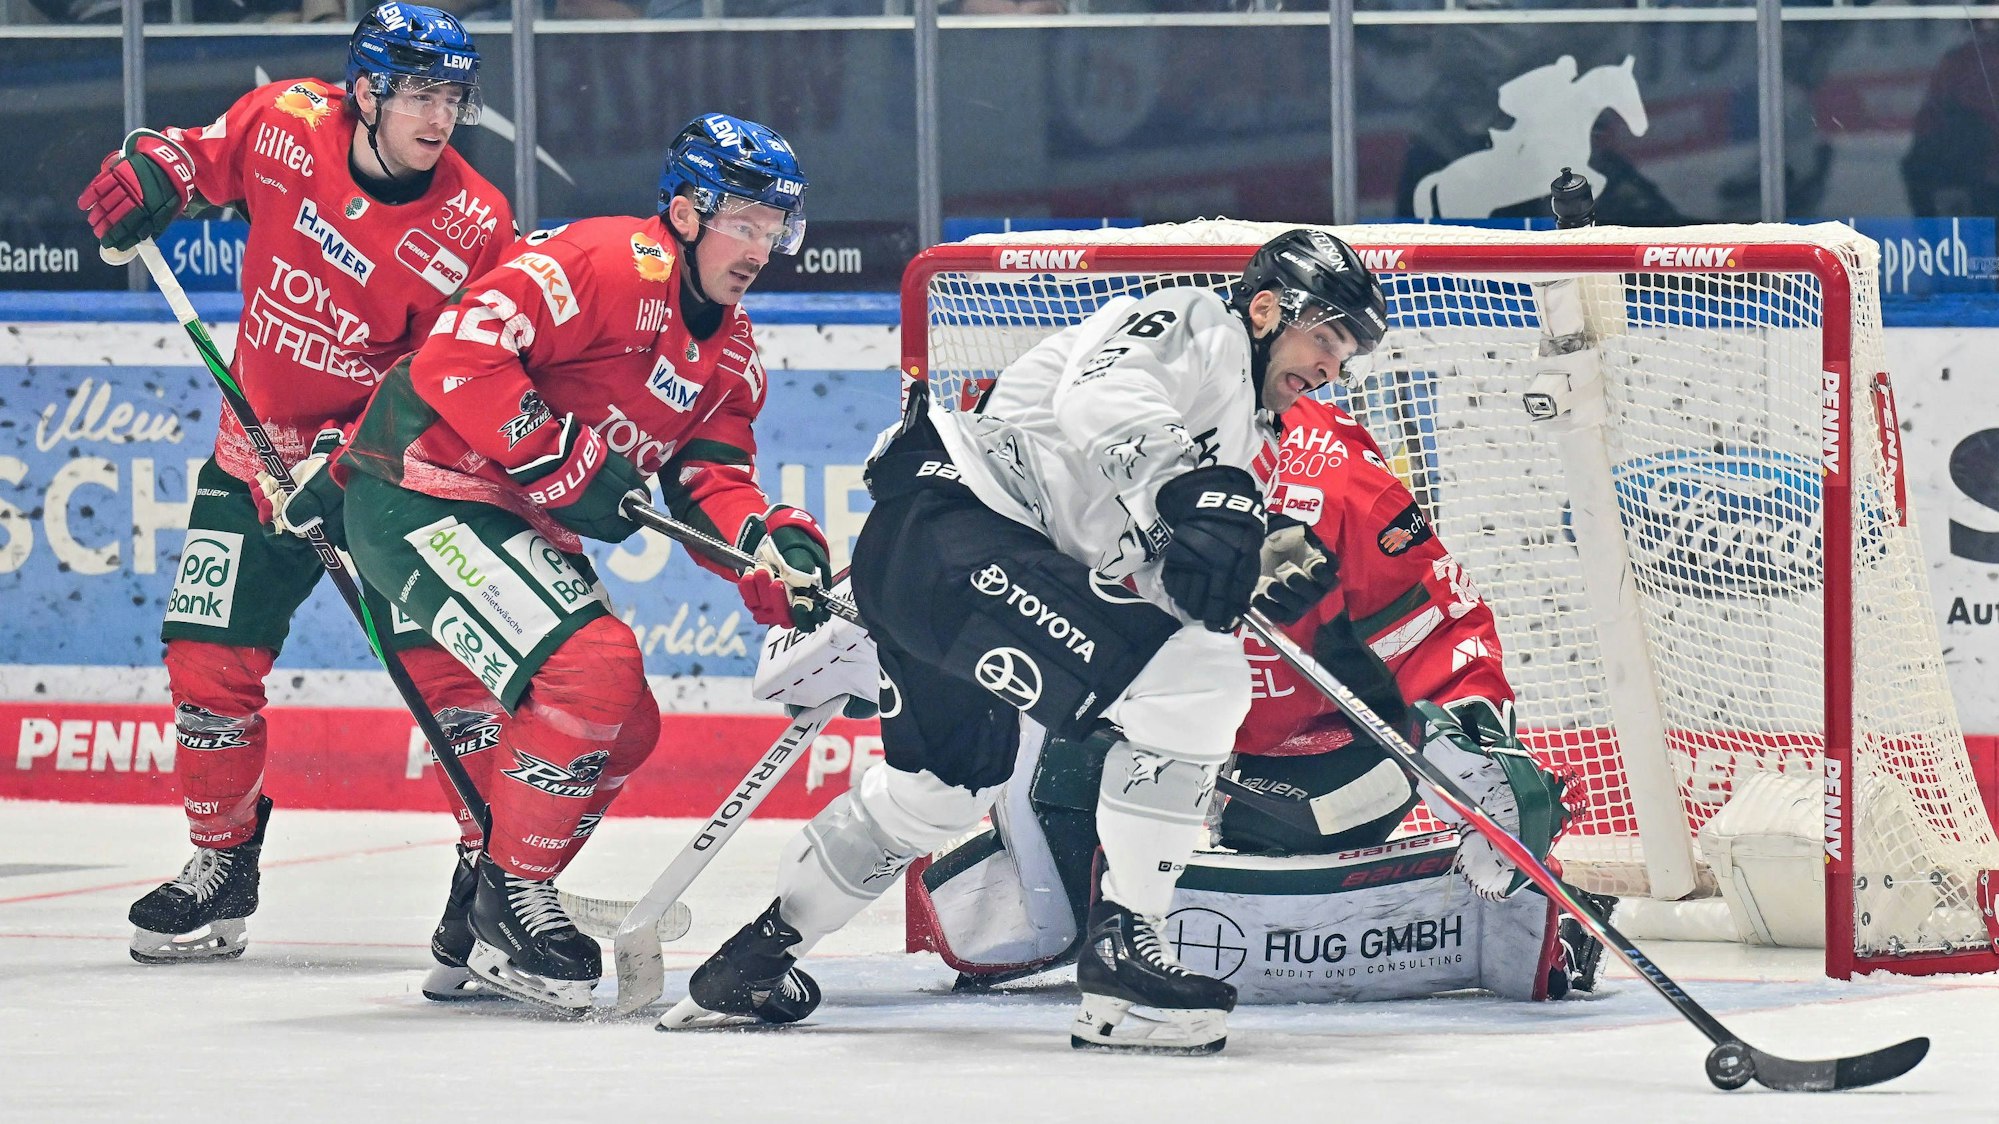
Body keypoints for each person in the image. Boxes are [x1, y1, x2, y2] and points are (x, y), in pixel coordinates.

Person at [666, 228, 1385, 1055]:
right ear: (1266, 309)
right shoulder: (1198, 327)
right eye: (1325, 337)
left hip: (942, 568)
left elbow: (1150, 576)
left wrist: (1234, 573)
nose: (1331, 367)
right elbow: (1101, 402)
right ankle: (1125, 961)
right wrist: (1202, 497)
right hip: (957, 530)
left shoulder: (1250, 445)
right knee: (1201, 683)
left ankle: (753, 957)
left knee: (942, 789)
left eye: (1346, 354)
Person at [329, 112, 832, 1012]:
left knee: (627, 726)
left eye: (773, 228)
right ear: (685, 212)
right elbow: (456, 354)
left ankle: (476, 904)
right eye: (743, 223)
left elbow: (710, 477)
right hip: (418, 486)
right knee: (591, 671)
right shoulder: (600, 261)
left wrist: (768, 546)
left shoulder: (733, 351)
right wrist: (560, 454)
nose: (760, 247)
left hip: (507, 518)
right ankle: (510, 903)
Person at [909, 385, 1592, 1006]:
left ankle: (1511, 915)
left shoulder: (1338, 483)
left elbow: (1434, 626)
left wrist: (1469, 729)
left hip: (1315, 744)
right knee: (1054, 851)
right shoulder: (1087, 461)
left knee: (1270, 892)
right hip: (1139, 721)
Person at [77, 4, 515, 967]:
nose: (440, 116)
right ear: (366, 91)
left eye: (454, 95)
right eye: (418, 93)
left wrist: (352, 460)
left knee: (450, 678)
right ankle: (220, 862)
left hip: (386, 479)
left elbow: (452, 377)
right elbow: (193, 157)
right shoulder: (284, 123)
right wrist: (153, 171)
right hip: (252, 458)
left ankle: (491, 874)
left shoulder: (476, 222)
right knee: (205, 665)